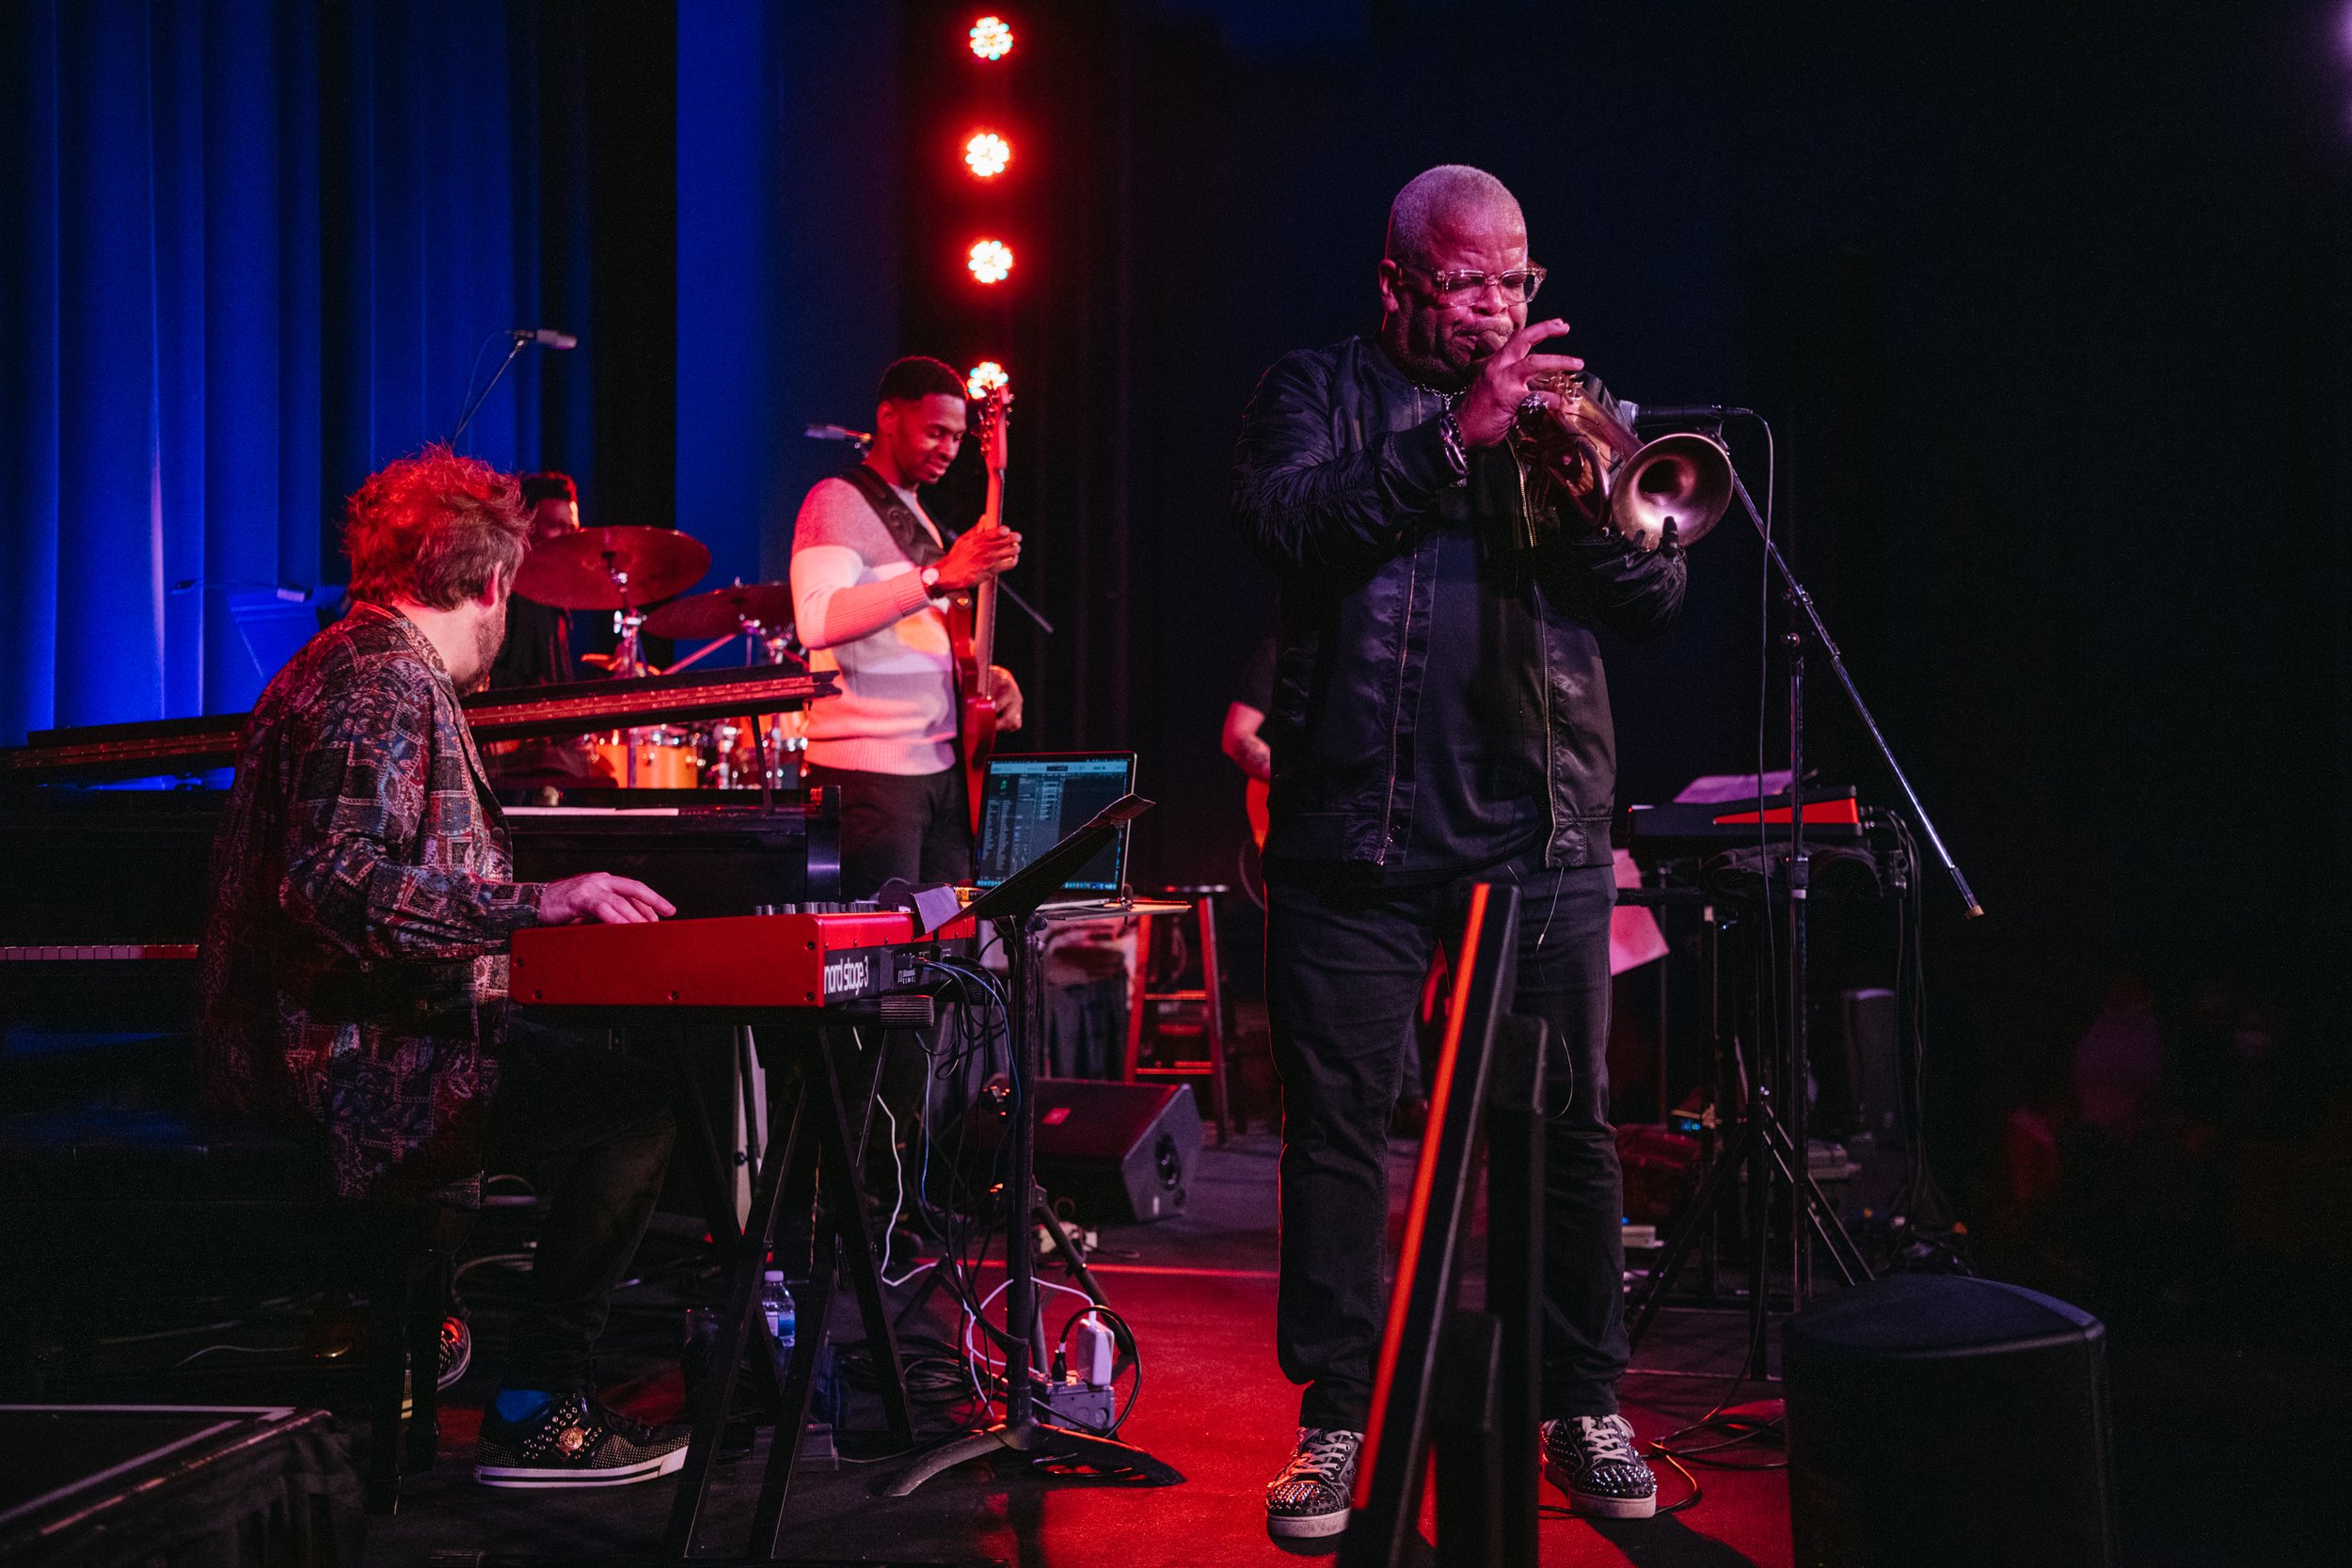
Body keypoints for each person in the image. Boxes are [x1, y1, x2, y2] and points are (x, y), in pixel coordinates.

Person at [1230, 165, 1687, 1536]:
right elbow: (1285, 526)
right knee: (1340, 1136)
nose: (1498, 310)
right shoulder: (1310, 391)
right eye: (1469, 284)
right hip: (1347, 838)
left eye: (1516, 281)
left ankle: (1581, 1399)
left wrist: (1580, 477)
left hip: (1539, 828)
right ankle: (1336, 1420)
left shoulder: (1575, 403)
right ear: (1399, 284)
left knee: (1570, 1132)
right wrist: (1449, 443)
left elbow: (1657, 592)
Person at [199, 445, 693, 1490]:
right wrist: (539, 903)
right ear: (492, 581)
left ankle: (460, 1339)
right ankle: (536, 1403)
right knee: (638, 1106)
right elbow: (330, 883)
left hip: (363, 1040)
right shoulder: (379, 679)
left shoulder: (349, 660)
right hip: (351, 1066)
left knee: (596, 1072)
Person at [789, 356, 1025, 898]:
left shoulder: (915, 512)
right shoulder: (835, 500)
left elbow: (910, 633)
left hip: (937, 772)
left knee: (945, 960)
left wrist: (985, 678)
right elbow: (817, 619)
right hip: (872, 777)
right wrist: (938, 576)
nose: (947, 449)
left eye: (958, 437)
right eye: (935, 432)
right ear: (889, 418)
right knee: (883, 964)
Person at [486, 471, 581, 690]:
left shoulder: (555, 597)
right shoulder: (503, 592)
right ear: (525, 528)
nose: (569, 539)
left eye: (573, 528)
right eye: (556, 525)